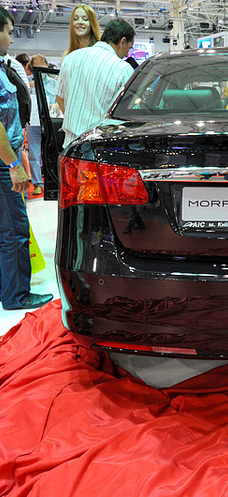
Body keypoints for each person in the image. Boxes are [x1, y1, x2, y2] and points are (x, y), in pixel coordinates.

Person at [0, 7, 53, 310]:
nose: (11, 39)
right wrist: (13, 165)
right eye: (8, 32)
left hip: (4, 159)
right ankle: (16, 295)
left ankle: (7, 288)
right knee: (15, 231)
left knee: (7, 230)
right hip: (3, 163)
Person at [56, 18, 135, 147]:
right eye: (129, 48)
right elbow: (127, 112)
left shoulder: (70, 58)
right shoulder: (123, 69)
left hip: (70, 146)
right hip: (102, 146)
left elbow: (60, 98)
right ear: (122, 41)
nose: (127, 54)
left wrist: (75, 123)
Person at [26, 54, 57, 195]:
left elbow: (59, 100)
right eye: (36, 67)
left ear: (46, 66)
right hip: (33, 122)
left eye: (42, 67)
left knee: (52, 151)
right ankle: (38, 183)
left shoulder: (54, 83)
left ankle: (54, 181)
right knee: (34, 153)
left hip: (50, 121)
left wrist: (55, 105)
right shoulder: (28, 83)